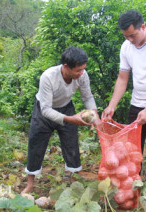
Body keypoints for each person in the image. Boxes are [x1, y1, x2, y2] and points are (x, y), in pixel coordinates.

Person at [102, 10, 146, 186]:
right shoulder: (126, 46)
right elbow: (122, 78)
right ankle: (133, 184)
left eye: (132, 35)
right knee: (132, 147)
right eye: (126, 36)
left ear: (142, 27)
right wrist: (112, 105)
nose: (130, 40)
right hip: (137, 102)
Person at [22, 46, 101, 194]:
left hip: (66, 107)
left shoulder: (82, 75)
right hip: (43, 111)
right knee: (36, 145)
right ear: (66, 67)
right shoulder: (48, 77)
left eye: (83, 69)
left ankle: (73, 180)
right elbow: (46, 110)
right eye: (78, 70)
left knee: (72, 144)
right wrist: (71, 119)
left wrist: (95, 117)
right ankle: (30, 185)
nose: (81, 73)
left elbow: (87, 97)